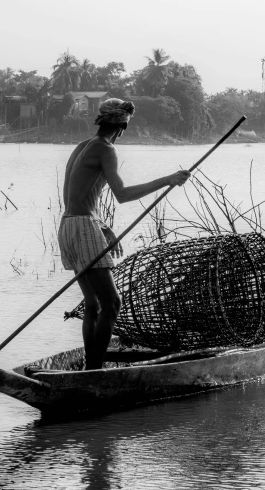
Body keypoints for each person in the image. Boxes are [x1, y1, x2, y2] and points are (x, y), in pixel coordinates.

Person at [58, 98, 190, 370]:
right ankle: (94, 370)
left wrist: (102, 226)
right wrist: (167, 179)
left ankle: (90, 366)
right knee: (112, 302)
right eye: (125, 128)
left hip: (68, 224)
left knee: (93, 303)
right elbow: (122, 195)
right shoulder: (106, 149)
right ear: (121, 126)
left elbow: (73, 196)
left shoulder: (83, 146)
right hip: (82, 227)